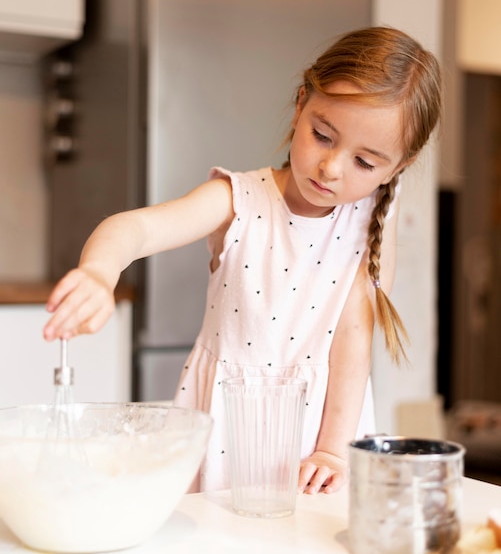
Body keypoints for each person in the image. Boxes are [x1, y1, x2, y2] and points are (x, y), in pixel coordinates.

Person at [43, 26, 442, 495]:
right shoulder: (238, 199)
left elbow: (352, 343)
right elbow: (136, 229)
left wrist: (333, 452)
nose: (331, 168)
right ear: (300, 106)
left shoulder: (370, 221)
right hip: (227, 430)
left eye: (365, 163)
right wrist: (98, 272)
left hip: (319, 445)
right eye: (322, 135)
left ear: (397, 167)